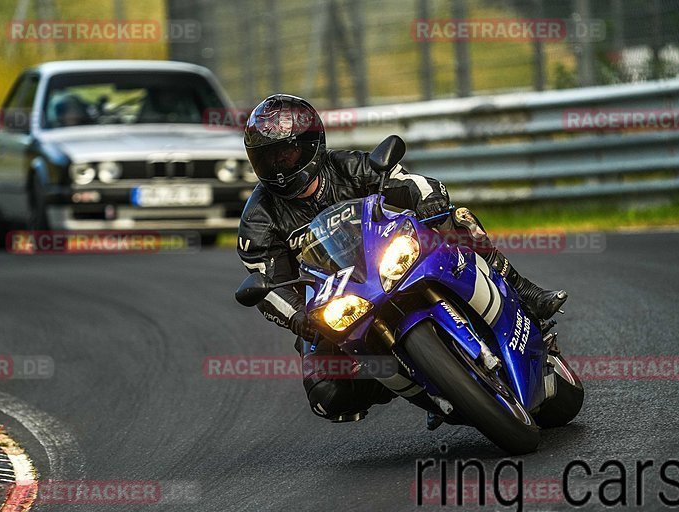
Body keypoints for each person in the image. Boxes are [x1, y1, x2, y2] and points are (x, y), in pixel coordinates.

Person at [237, 94, 567, 423]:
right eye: (269, 160)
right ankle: (420, 381)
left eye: (287, 154)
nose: (280, 168)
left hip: (390, 256)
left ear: (311, 145)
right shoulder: (258, 221)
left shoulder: (348, 166)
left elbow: (411, 182)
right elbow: (269, 285)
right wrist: (298, 316)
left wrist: (431, 199)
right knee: (327, 396)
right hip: (334, 302)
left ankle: (524, 291)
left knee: (457, 220)